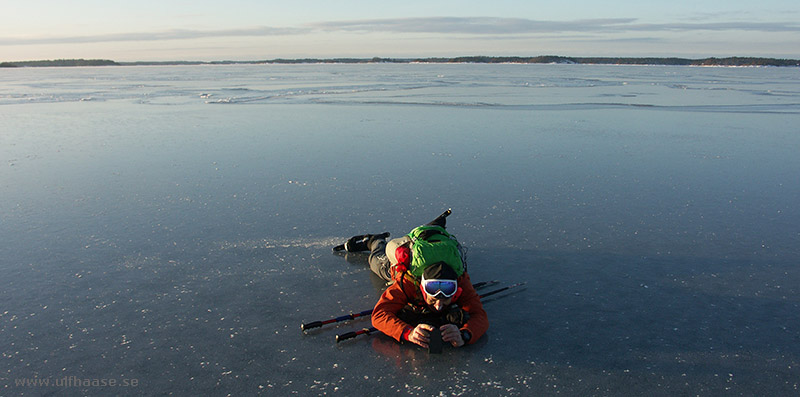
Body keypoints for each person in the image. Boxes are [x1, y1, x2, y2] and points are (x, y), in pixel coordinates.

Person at [336, 211, 489, 349]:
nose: (438, 306)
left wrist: (465, 335)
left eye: (445, 298)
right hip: (405, 254)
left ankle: (434, 227)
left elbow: (480, 316)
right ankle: (375, 240)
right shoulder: (408, 282)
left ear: (456, 290)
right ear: (422, 288)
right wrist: (408, 332)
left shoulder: (462, 280)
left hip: (436, 244)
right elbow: (379, 315)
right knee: (376, 263)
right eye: (434, 299)